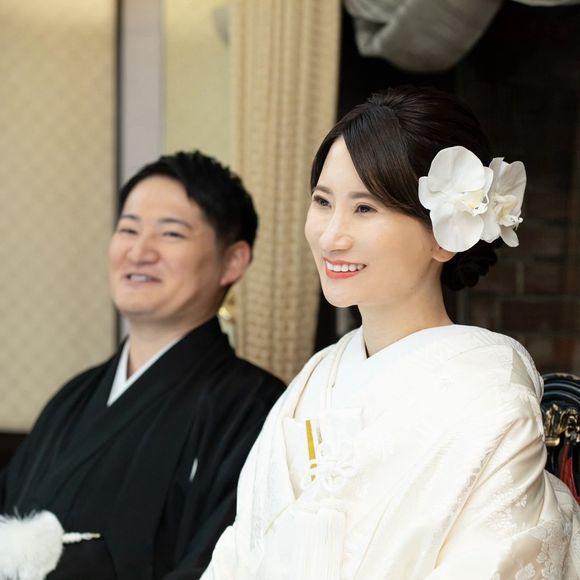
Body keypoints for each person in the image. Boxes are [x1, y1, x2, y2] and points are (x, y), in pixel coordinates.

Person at [201, 87, 580, 579]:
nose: (331, 236)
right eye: (322, 201)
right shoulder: (315, 379)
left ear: (444, 235)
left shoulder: (490, 395)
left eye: (365, 208)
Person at [0, 151, 285, 580]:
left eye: (171, 233)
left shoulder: (255, 410)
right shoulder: (73, 398)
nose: (138, 251)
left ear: (233, 260)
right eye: (128, 229)